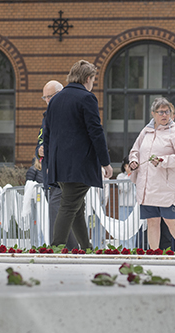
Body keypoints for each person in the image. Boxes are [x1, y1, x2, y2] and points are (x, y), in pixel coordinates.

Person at [42, 60, 113, 250]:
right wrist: (105, 163)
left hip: (60, 165)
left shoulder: (56, 99)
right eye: (93, 79)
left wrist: (49, 162)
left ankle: (87, 248)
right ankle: (56, 247)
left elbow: (47, 134)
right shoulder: (86, 98)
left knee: (76, 208)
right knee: (69, 206)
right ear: (88, 78)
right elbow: (95, 132)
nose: (92, 84)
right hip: (79, 165)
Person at [128, 98, 175, 251]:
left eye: (167, 112)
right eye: (161, 112)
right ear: (153, 114)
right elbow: (135, 150)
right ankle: (154, 253)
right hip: (147, 187)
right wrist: (134, 161)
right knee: (152, 221)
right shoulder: (146, 131)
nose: (164, 115)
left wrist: (163, 160)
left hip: (166, 187)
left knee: (171, 221)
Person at [37, 80, 77, 248]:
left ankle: (61, 248)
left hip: (65, 173)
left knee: (57, 213)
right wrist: (39, 149)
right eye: (44, 97)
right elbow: (41, 138)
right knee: (62, 217)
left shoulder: (69, 113)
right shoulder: (47, 116)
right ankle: (74, 250)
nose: (47, 101)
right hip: (50, 173)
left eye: (50, 96)